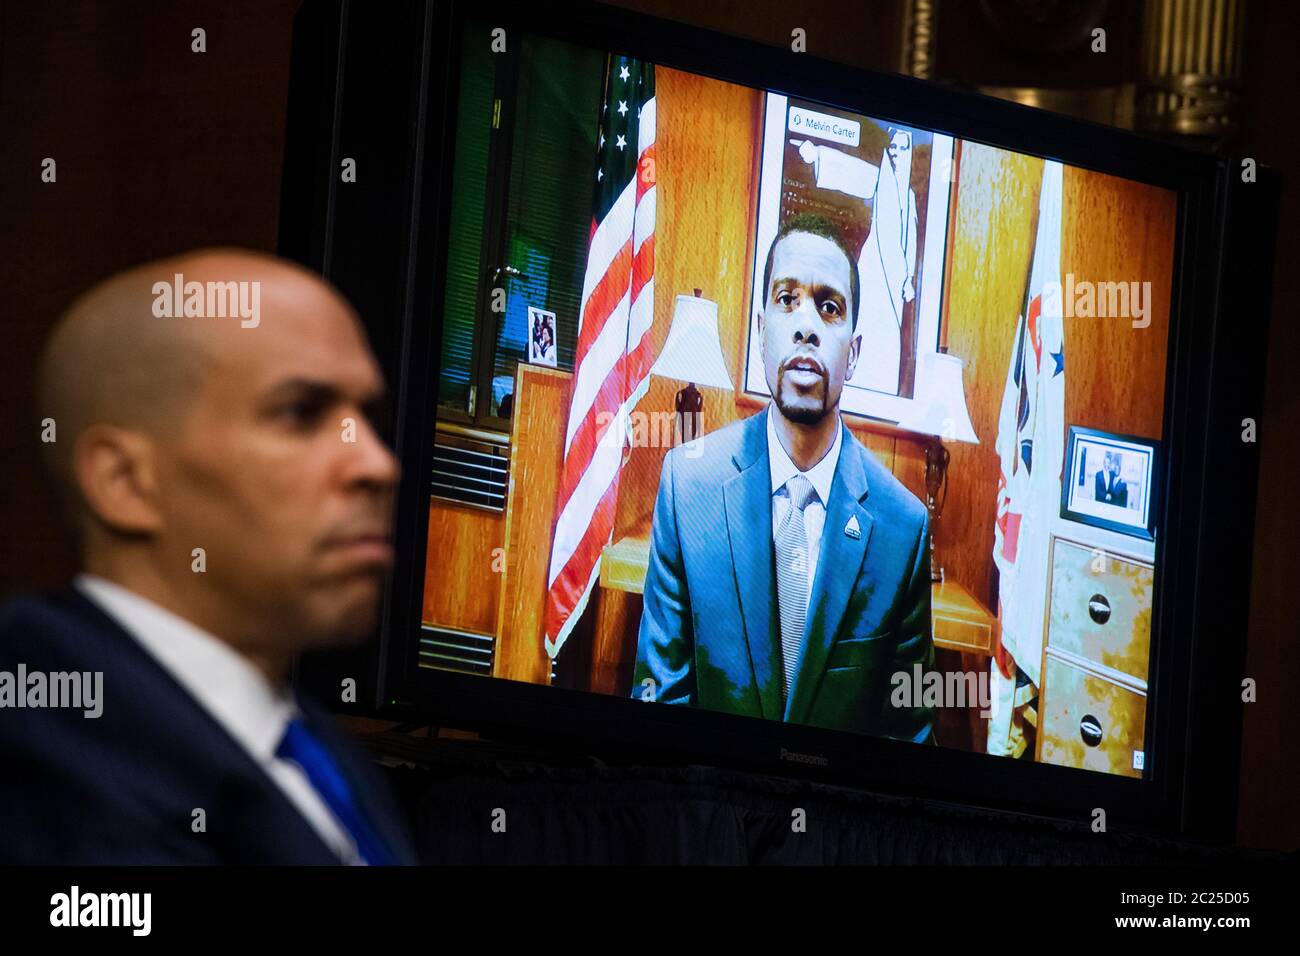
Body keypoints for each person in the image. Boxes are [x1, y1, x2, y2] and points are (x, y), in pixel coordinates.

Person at [0, 249, 416, 864]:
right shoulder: (39, 732)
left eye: (367, 417)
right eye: (301, 413)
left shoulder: (316, 749)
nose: (378, 464)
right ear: (126, 482)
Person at [632, 214, 935, 742]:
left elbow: (906, 738)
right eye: (787, 299)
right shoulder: (688, 489)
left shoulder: (903, 528)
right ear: (762, 333)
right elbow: (659, 703)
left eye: (829, 307)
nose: (807, 324)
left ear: (854, 353)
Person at [793, 129, 919, 395]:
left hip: (895, 285)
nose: (896, 154)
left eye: (902, 148)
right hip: (873, 275)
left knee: (886, 343)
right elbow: (850, 171)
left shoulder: (909, 197)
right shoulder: (879, 179)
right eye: (892, 148)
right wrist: (816, 155)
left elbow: (911, 238)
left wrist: (908, 279)